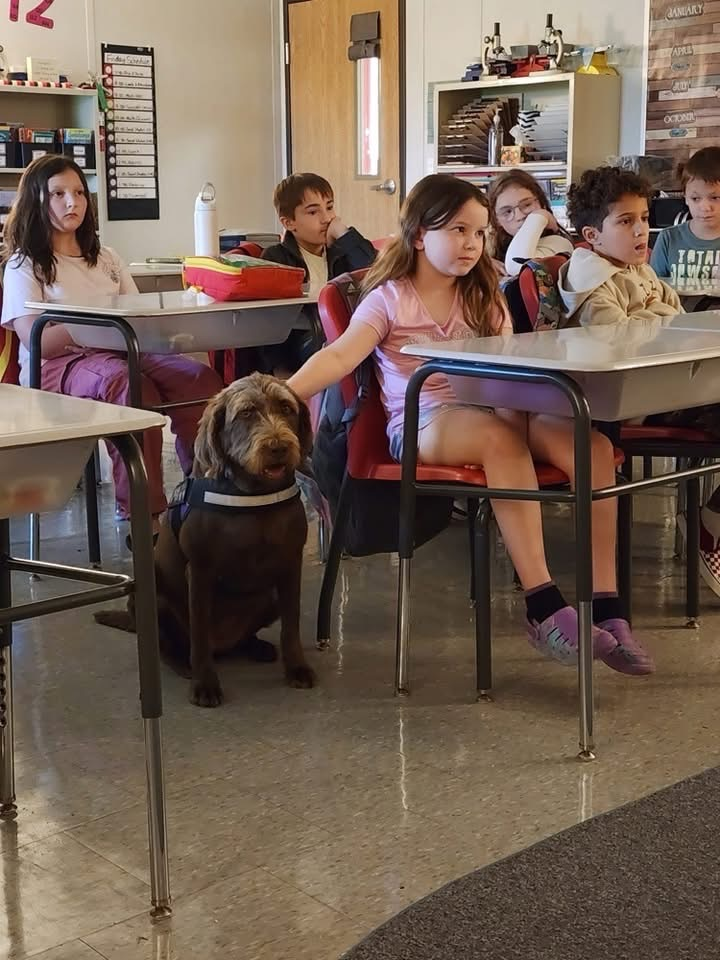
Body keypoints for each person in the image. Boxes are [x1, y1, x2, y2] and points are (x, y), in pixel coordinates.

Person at [288, 173, 651, 675]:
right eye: (458, 230)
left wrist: (521, 416)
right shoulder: (388, 298)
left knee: (586, 445)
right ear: (419, 235)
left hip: (493, 410)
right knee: (500, 440)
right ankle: (543, 607)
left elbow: (507, 367)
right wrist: (281, 395)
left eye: (480, 233)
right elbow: (339, 356)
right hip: (423, 421)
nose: (471, 244)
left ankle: (606, 603)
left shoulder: (483, 293)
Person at [1, 155, 223, 535]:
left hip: (123, 350)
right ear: (37, 200)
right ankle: (144, 516)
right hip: (60, 367)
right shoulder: (25, 264)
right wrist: (95, 319)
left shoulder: (107, 258)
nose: (72, 203)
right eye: (58, 194)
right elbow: (38, 342)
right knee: (132, 388)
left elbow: (135, 316)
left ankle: (206, 492)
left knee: (200, 379)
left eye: (79, 193)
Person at [559, 164, 720, 598]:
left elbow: (676, 321)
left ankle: (713, 514)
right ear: (592, 235)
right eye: (626, 221)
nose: (641, 231)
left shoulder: (640, 270)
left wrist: (654, 321)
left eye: (645, 219)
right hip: (633, 399)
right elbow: (620, 339)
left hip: (668, 382)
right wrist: (660, 321)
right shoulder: (591, 278)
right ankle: (713, 521)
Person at [260, 172, 377, 374]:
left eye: (330, 207)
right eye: (313, 212)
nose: (327, 218)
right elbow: (268, 323)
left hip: (344, 338)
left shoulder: (342, 252)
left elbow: (378, 272)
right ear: (289, 223)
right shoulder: (276, 257)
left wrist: (345, 235)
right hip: (301, 345)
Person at [650, 146, 720, 286]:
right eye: (695, 198)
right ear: (685, 197)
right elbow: (653, 290)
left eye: (715, 197)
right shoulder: (668, 239)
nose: (705, 207)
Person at [488, 168, 574, 278]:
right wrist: (482, 264)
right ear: (497, 220)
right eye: (507, 211)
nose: (520, 216)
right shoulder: (494, 242)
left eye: (527, 205)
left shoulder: (559, 243)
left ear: (542, 203)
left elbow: (518, 266)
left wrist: (540, 216)